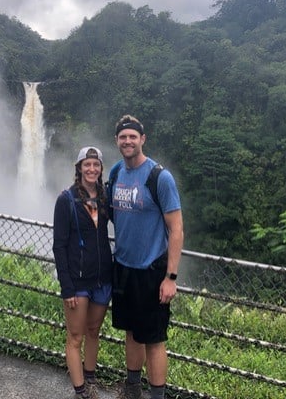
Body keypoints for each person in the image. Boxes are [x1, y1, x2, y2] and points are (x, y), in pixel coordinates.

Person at [108, 115, 184, 399]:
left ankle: (157, 396)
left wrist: (170, 277)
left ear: (143, 139)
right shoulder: (116, 173)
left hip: (152, 270)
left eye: (132, 136)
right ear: (116, 141)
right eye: (122, 137)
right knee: (130, 331)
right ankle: (131, 389)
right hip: (124, 266)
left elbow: (176, 229)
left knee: (153, 339)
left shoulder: (159, 177)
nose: (127, 141)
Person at [53, 146, 113, 399]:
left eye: (96, 164)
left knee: (93, 332)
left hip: (102, 279)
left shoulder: (104, 197)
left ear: (100, 169)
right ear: (79, 168)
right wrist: (66, 287)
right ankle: (81, 392)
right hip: (77, 282)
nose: (91, 169)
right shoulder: (66, 200)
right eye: (86, 164)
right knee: (76, 336)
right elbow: (59, 245)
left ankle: (91, 380)